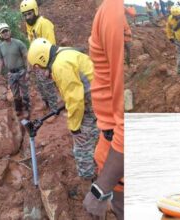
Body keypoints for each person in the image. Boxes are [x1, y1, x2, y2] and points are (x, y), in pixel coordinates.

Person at [27, 38, 99, 195]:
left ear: (42, 59)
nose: (38, 72)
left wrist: (74, 128)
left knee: (81, 147)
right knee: (94, 139)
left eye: (37, 68)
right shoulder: (64, 53)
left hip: (95, 105)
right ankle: (96, 170)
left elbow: (76, 100)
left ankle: (88, 188)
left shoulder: (60, 66)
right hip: (97, 99)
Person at [83, 0, 124, 219]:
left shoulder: (113, 12)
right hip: (110, 137)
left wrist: (100, 190)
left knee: (122, 207)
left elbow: (128, 126)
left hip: (118, 148)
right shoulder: (112, 10)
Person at [20, 0, 59, 115]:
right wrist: (30, 64)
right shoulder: (29, 26)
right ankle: (45, 103)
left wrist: (48, 68)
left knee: (49, 86)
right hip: (37, 63)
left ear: (35, 11)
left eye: (29, 14)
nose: (27, 17)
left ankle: (54, 111)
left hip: (46, 62)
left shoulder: (44, 24)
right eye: (25, 15)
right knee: (40, 85)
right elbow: (32, 44)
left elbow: (52, 46)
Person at [0, 23, 30, 117]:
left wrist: (28, 71)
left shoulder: (18, 43)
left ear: (10, 31)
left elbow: (26, 57)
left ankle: (27, 109)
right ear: (0, 34)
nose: (5, 33)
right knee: (15, 93)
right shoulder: (0, 46)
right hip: (11, 73)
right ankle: (18, 109)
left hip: (21, 71)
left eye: (6, 30)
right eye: (3, 32)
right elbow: (1, 59)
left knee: (25, 91)